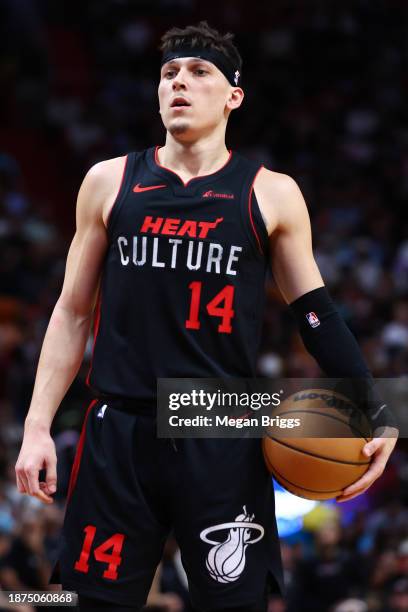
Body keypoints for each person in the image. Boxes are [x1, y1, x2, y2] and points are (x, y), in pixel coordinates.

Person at [15, 21, 398, 612]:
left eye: (198, 73)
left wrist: (381, 408)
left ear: (233, 96)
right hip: (121, 423)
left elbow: (316, 313)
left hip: (219, 419)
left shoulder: (270, 193)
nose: (179, 84)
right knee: (91, 601)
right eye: (169, 74)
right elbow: (70, 312)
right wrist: (37, 426)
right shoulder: (108, 181)